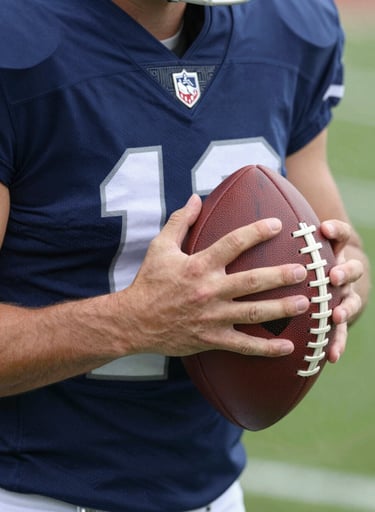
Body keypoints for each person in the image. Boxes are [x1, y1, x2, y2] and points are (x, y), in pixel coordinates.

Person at [0, 0, 369, 511]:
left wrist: (340, 284)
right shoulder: (14, 41)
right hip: (27, 492)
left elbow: (340, 249)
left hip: (213, 491)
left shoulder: (289, 25)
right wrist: (132, 321)